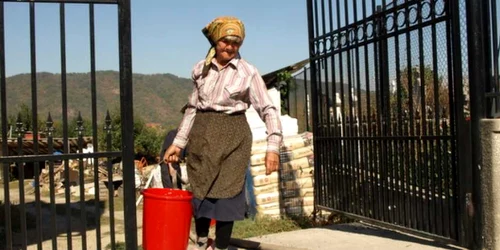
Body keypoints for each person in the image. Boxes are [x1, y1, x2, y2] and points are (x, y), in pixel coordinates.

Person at [164, 16, 282, 250]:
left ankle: (221, 246)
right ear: (216, 41)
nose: (230, 47)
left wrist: (273, 148)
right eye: (225, 41)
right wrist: (178, 143)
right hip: (202, 136)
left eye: (236, 43)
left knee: (228, 196)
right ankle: (201, 240)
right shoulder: (200, 69)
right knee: (201, 191)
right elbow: (192, 108)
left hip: (234, 138)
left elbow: (267, 109)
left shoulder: (248, 72)